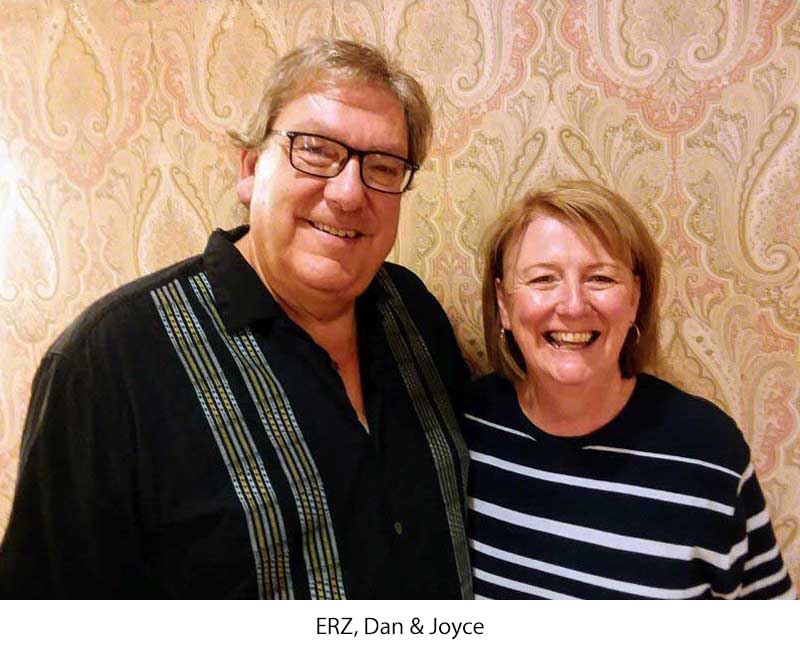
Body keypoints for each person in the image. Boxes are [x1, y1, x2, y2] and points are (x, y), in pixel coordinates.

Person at [0, 38, 472, 599]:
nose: (349, 193)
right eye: (315, 151)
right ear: (250, 169)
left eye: (384, 167)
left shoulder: (413, 312)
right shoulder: (108, 365)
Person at [465, 179, 795, 599]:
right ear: (503, 303)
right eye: (543, 279)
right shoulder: (465, 429)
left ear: (636, 297)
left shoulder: (707, 452)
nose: (573, 305)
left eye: (600, 278)